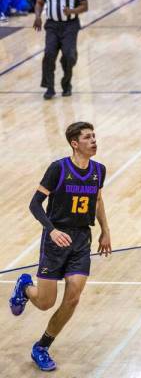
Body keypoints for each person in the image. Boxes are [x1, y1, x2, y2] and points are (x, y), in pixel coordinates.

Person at [8, 122, 112, 372]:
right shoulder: (58, 169)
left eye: (94, 136)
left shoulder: (99, 170)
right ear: (75, 143)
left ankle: (42, 346)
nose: (94, 141)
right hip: (56, 240)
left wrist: (105, 230)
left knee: (73, 297)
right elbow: (35, 204)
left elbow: (97, 199)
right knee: (45, 303)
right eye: (88, 137)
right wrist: (51, 230)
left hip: (81, 240)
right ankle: (25, 286)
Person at [34, 0, 87, 99]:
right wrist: (38, 16)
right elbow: (40, 2)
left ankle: (66, 83)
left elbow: (84, 5)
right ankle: (50, 88)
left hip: (70, 25)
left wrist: (72, 11)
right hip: (52, 25)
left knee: (69, 56)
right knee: (49, 55)